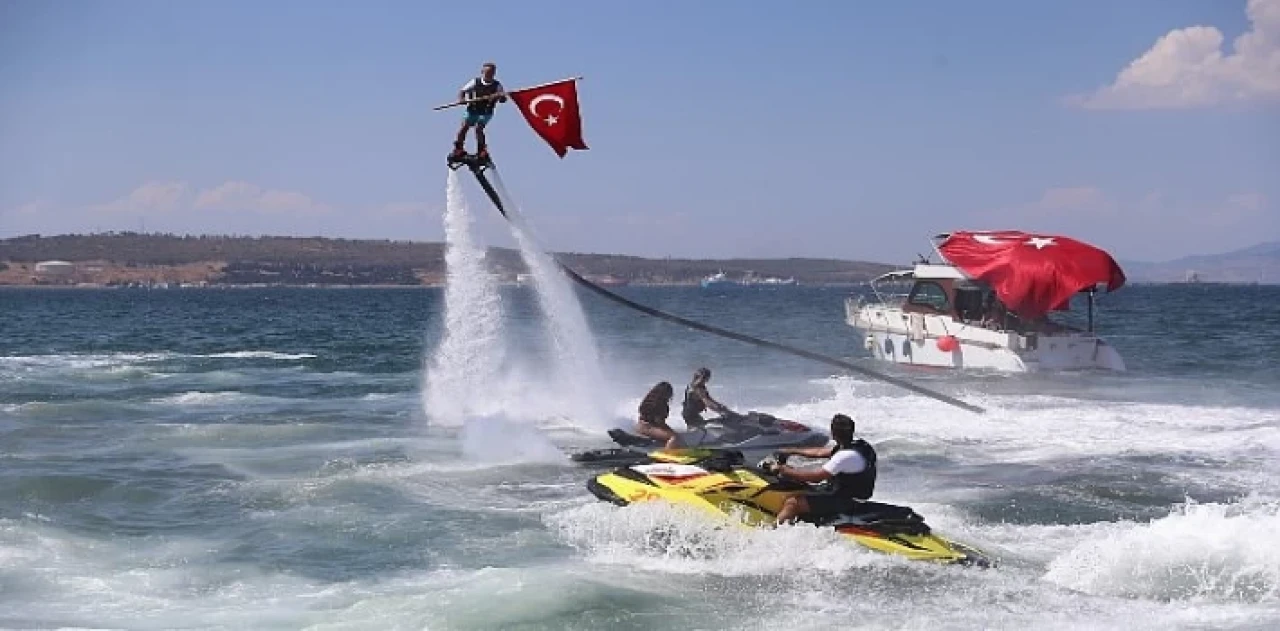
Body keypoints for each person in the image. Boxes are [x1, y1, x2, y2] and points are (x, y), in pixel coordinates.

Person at [765, 413, 877, 526]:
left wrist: (784, 470)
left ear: (833, 433)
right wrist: (791, 451)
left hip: (845, 501)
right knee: (802, 487)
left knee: (793, 502)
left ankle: (771, 532)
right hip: (851, 496)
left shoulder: (845, 456)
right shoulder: (860, 445)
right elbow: (820, 452)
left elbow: (816, 478)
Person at [451, 62, 507, 160]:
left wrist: (499, 97)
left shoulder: (497, 85)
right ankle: (458, 148)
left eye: (491, 73)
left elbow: (503, 99)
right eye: (487, 72)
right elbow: (462, 91)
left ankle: (481, 150)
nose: (489, 75)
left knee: (478, 128)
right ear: (482, 72)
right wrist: (461, 99)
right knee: (464, 126)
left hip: (485, 112)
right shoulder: (475, 82)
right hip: (472, 110)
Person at [636, 381, 679, 450]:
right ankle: (667, 454)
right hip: (648, 428)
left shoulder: (648, 400)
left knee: (669, 433)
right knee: (674, 437)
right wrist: (672, 432)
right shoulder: (661, 405)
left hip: (639, 426)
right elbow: (660, 423)